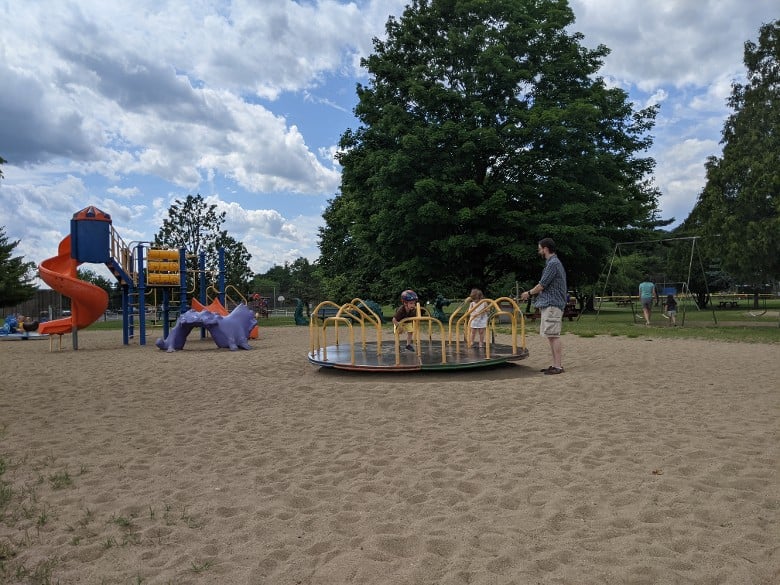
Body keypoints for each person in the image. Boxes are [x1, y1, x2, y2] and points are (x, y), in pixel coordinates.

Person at [519, 238, 567, 375]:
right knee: (551, 335)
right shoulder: (553, 263)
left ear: (545, 248)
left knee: (554, 335)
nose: (539, 251)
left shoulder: (553, 263)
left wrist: (528, 293)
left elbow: (542, 285)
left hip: (553, 304)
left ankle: (558, 366)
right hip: (551, 304)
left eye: (540, 248)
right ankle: (555, 364)